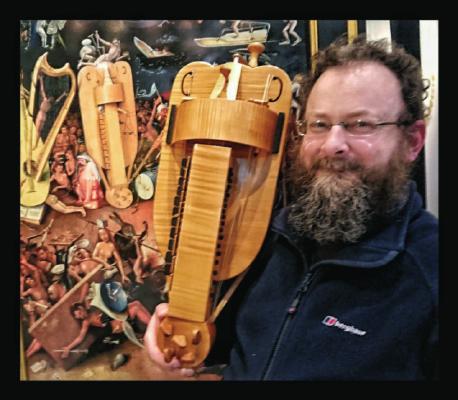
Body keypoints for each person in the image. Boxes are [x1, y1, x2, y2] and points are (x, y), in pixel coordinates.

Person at [144, 36, 438, 380]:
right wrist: (173, 361)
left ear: (412, 141)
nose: (333, 145)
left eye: (361, 124)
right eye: (319, 125)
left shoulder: (432, 272)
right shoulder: (272, 236)